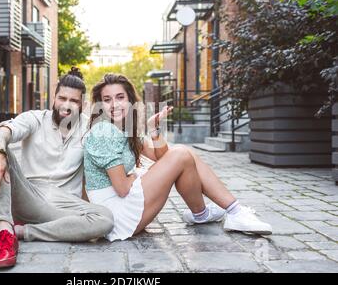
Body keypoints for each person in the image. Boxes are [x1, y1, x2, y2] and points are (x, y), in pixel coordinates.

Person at [83, 73, 272, 242]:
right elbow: (123, 189)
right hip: (116, 215)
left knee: (185, 154)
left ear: (130, 100)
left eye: (120, 97)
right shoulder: (103, 131)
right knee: (182, 152)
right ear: (100, 105)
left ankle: (205, 213)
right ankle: (234, 212)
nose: (114, 105)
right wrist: (135, 176)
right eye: (107, 100)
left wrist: (153, 130)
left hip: (125, 209)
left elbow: (164, 158)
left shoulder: (125, 130)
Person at [0, 67, 114, 269]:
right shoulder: (35, 118)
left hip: (63, 205)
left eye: (74, 101)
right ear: (53, 99)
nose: (66, 106)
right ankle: (4, 232)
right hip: (29, 195)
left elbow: (117, 144)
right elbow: (5, 130)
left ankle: (18, 232)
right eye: (62, 98)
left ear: (83, 104)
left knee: (105, 219)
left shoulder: (90, 127)